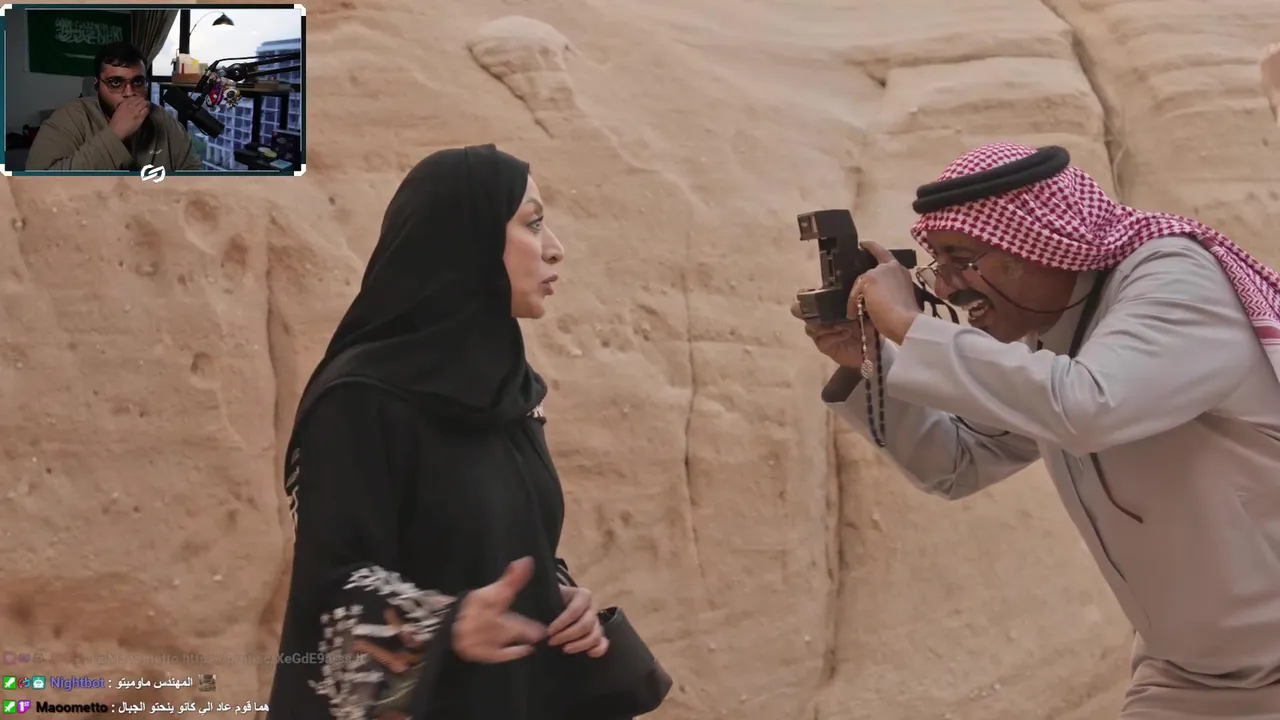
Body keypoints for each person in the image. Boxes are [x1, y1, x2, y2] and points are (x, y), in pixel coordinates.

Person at [798, 142, 1280, 719]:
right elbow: (956, 462)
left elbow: (1088, 408)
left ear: (1039, 244)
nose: (944, 288)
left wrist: (906, 323)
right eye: (937, 264)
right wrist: (869, 362)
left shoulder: (1173, 279)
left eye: (960, 259)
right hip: (1189, 674)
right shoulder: (1053, 337)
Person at [266, 144, 609, 720]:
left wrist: (558, 593)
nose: (555, 248)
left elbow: (503, 544)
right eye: (532, 224)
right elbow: (328, 588)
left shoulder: (512, 396)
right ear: (466, 240)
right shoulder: (360, 401)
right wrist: (441, 625)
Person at [26, 41, 203, 172]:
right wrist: (114, 134)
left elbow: (194, 174)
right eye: (116, 82)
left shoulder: (163, 120)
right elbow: (37, 185)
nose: (129, 93)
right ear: (97, 86)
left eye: (137, 82)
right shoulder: (70, 118)